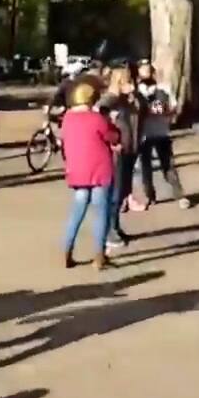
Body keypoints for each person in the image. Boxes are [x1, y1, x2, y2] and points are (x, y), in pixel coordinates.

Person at [60, 78, 120, 270]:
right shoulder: (97, 119)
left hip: (77, 170)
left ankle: (66, 251)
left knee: (76, 212)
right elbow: (113, 136)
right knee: (101, 212)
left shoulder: (67, 119)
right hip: (99, 169)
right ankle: (99, 256)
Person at [136, 61, 191, 209]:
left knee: (168, 165)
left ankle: (180, 195)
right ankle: (149, 196)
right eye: (142, 70)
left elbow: (172, 109)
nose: (146, 73)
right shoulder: (136, 91)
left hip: (161, 132)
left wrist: (165, 112)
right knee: (146, 167)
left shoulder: (163, 90)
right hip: (143, 134)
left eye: (148, 70)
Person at [101, 64, 140, 250]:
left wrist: (164, 107)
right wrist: (110, 138)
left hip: (131, 149)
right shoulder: (110, 100)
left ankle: (115, 226)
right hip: (116, 153)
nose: (131, 84)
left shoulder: (131, 100)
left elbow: (154, 110)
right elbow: (99, 117)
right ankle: (109, 231)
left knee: (123, 191)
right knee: (114, 193)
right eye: (127, 81)